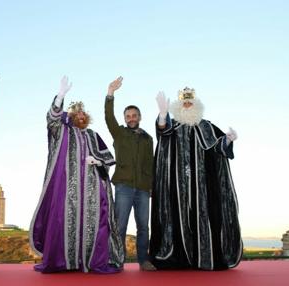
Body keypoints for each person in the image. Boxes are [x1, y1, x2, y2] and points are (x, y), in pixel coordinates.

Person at [29, 76, 124, 273]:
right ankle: (64, 261)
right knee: (63, 222)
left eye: (83, 113)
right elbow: (52, 119)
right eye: (77, 113)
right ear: (71, 117)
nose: (81, 115)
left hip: (92, 191)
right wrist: (60, 96)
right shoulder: (62, 132)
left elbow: (107, 158)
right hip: (66, 190)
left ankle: (89, 261)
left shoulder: (92, 135)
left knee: (95, 225)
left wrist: (98, 161)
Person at [149, 87, 242, 270]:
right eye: (184, 103)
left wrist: (229, 140)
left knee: (203, 219)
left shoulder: (206, 126)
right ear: (178, 106)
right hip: (176, 186)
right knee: (177, 219)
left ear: (196, 105)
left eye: (190, 103)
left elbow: (218, 147)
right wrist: (162, 114)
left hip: (203, 187)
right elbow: (162, 132)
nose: (187, 105)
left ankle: (204, 257)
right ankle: (179, 258)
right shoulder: (172, 126)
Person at [104, 76, 156, 271]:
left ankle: (144, 260)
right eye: (128, 116)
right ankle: (118, 260)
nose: (131, 118)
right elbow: (109, 117)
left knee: (144, 227)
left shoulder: (148, 138)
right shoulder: (119, 133)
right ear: (125, 119)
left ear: (140, 117)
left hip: (143, 189)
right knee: (120, 226)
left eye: (134, 115)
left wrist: (150, 186)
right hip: (124, 187)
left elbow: (150, 164)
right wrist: (110, 94)